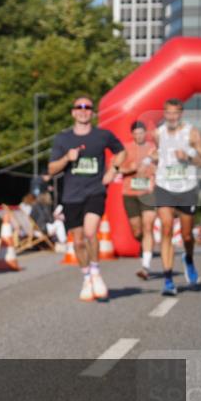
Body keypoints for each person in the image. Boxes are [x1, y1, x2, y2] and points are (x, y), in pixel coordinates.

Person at [48, 96, 126, 301]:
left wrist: (113, 170)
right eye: (79, 107)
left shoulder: (102, 135)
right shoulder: (63, 139)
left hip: (95, 191)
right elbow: (52, 168)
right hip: (71, 195)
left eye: (87, 107)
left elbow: (121, 152)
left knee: (91, 232)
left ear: (92, 112)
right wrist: (67, 158)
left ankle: (96, 272)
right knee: (78, 240)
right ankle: (86, 277)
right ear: (73, 112)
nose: (83, 110)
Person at [151, 98, 201, 295]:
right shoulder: (158, 133)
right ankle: (168, 280)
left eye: (175, 113)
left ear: (181, 113)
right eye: (168, 113)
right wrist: (154, 159)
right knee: (166, 228)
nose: (172, 117)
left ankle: (188, 258)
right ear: (164, 114)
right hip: (164, 185)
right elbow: (158, 155)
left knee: (186, 235)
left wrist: (188, 157)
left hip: (187, 187)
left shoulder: (192, 132)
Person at [120, 120, 158, 280]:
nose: (139, 136)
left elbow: (161, 166)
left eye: (141, 133)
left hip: (148, 192)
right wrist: (130, 168)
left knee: (148, 226)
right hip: (130, 193)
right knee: (137, 231)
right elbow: (117, 168)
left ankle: (145, 266)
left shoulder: (153, 148)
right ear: (132, 134)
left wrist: (154, 181)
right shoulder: (125, 149)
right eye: (136, 133)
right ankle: (144, 245)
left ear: (145, 133)